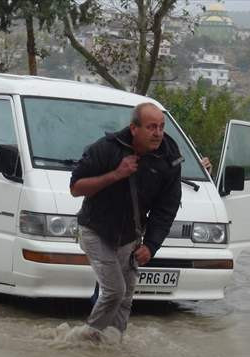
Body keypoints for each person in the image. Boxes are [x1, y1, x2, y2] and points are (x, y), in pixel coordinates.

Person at [70, 102, 182, 341]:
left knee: (126, 296)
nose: (158, 133)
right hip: (95, 229)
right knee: (114, 291)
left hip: (130, 236)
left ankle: (114, 346)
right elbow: (76, 188)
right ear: (134, 128)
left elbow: (167, 208)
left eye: (162, 127)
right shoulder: (106, 149)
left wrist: (151, 245)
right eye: (151, 127)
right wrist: (117, 174)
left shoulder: (170, 157)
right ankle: (84, 340)